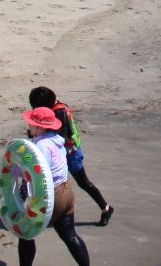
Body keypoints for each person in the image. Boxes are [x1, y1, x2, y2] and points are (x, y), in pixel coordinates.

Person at [16, 107, 91, 266]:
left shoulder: (41, 145)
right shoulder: (57, 140)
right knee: (70, 236)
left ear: (39, 126)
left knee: (26, 233)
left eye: (31, 123)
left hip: (52, 195)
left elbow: (39, 174)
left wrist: (22, 180)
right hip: (66, 192)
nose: (28, 126)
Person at [28, 86, 112, 226]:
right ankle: (48, 213)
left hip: (70, 153)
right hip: (59, 153)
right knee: (50, 183)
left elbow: (63, 135)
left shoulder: (59, 112)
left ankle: (106, 208)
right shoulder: (54, 108)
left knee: (83, 182)